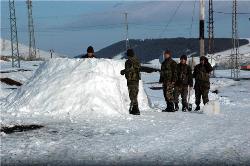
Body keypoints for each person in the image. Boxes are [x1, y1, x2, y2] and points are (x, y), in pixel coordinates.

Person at [120, 49, 141, 115]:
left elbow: (129, 69)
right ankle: (135, 108)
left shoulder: (129, 61)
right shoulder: (136, 60)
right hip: (135, 79)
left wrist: (123, 71)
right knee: (134, 94)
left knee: (132, 94)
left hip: (132, 79)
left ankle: (135, 109)